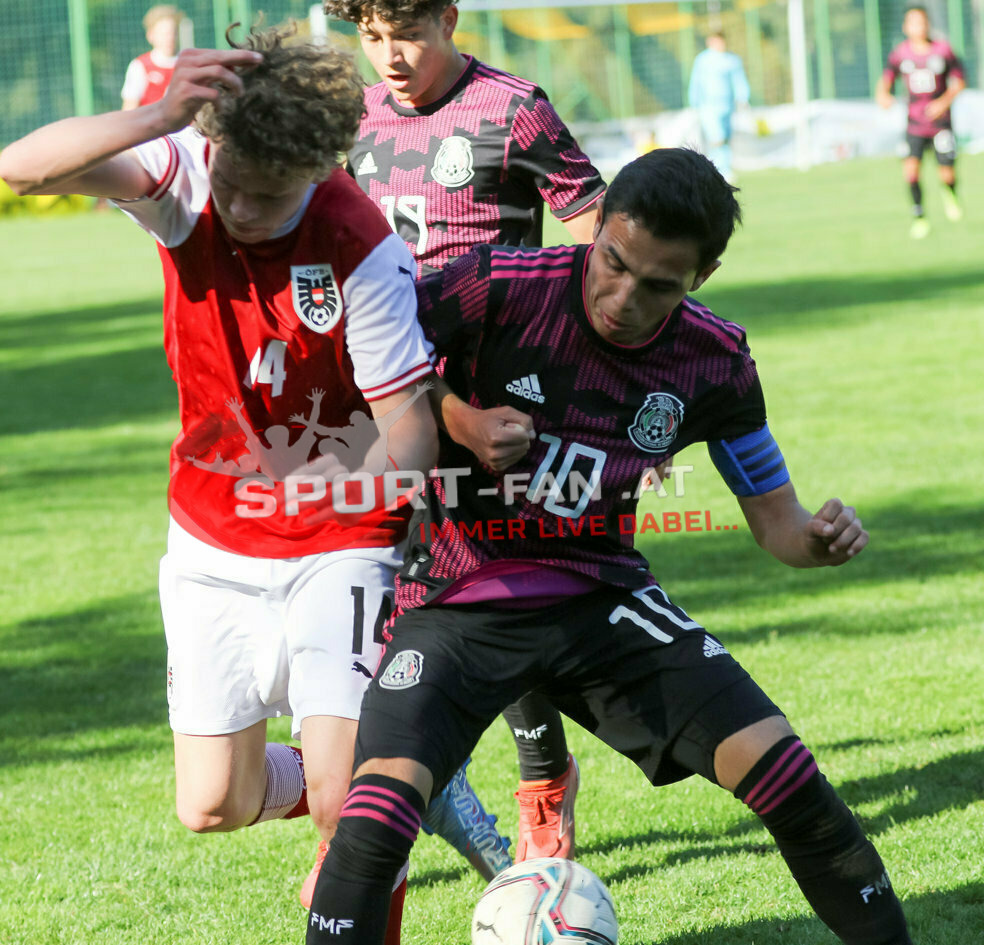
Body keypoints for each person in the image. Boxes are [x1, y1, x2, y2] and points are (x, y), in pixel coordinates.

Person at [303, 148, 915, 945]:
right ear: (597, 231)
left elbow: (777, 521)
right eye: (614, 263)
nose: (623, 297)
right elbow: (373, 347)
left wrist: (817, 540)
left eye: (659, 284)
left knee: (790, 778)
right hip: (455, 597)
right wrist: (460, 420)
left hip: (603, 600)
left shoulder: (714, 360)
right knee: (377, 815)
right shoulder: (499, 283)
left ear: (705, 272)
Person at [0, 23, 440, 944]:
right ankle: (382, 779)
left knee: (340, 800)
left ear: (319, 166)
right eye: (229, 177)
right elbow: (21, 169)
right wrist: (159, 114)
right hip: (209, 541)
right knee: (212, 803)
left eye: (266, 193)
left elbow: (409, 429)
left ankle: (366, 807)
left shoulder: (363, 248)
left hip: (339, 540)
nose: (236, 205)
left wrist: (362, 512)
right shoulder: (187, 173)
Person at [321, 0, 607, 873]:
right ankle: (369, 809)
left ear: (449, 18)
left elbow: (595, 224)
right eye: (370, 38)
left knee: (496, 593)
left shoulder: (513, 106)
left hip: (495, 394)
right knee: (374, 588)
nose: (390, 57)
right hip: (380, 388)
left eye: (405, 33)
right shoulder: (353, 119)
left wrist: (577, 356)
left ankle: (541, 778)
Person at [876, 5, 965, 239]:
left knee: (946, 173)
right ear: (906, 27)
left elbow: (959, 82)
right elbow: (885, 81)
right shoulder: (899, 54)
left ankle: (950, 192)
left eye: (922, 22)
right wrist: (883, 96)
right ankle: (920, 217)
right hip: (914, 124)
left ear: (928, 24)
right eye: (913, 22)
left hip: (940, 124)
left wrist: (943, 103)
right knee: (911, 171)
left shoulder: (943, 50)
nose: (918, 27)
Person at [688, 31, 750, 182]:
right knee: (717, 137)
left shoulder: (732, 60)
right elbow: (696, 81)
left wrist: (743, 98)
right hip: (708, 105)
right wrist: (693, 101)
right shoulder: (702, 60)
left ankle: (724, 168)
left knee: (725, 137)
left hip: (727, 105)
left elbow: (739, 80)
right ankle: (718, 170)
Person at [121, 5, 183, 109]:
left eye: (173, 32)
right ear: (150, 35)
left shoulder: (187, 63)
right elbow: (129, 110)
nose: (170, 38)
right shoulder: (140, 66)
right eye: (164, 34)